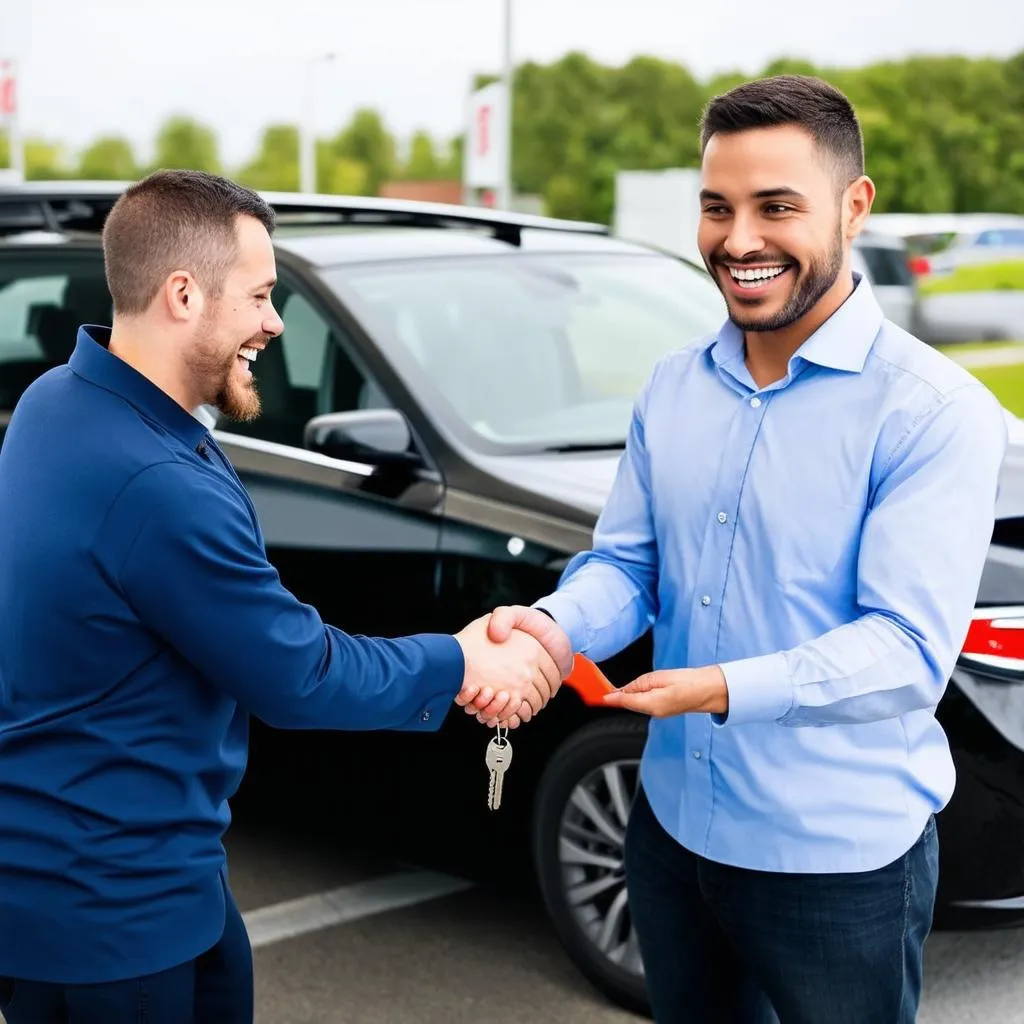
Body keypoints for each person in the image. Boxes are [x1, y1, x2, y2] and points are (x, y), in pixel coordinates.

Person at [481, 75, 1009, 1023]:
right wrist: (553, 631)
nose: (738, 239)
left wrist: (719, 687)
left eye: (776, 207)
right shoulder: (674, 385)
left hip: (837, 868)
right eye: (717, 207)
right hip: (672, 829)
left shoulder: (932, 413)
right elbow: (628, 566)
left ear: (854, 206)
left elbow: (905, 652)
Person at [0, 169, 571, 1024]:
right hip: (117, 916)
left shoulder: (56, 401)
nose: (274, 320)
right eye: (262, 296)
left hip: (91, 881)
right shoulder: (155, 483)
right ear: (183, 294)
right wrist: (461, 660)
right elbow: (299, 675)